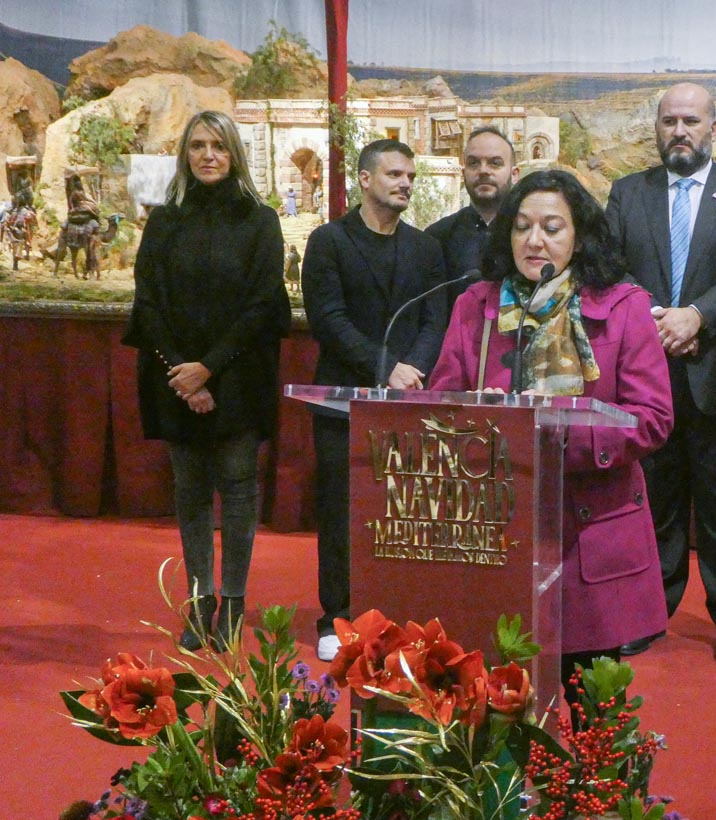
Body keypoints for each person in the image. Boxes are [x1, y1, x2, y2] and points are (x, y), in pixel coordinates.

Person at [428, 169, 672, 694]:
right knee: (495, 706)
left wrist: (558, 430)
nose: (534, 240)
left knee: (591, 716)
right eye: (521, 227)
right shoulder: (476, 307)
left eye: (552, 227)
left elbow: (651, 418)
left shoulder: (624, 307)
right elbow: (441, 405)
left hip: (590, 529)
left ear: (579, 237)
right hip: (496, 531)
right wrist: (476, 415)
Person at [606, 82, 716, 666]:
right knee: (653, 503)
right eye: (668, 121)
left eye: (690, 121)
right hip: (646, 377)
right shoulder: (627, 194)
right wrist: (649, 317)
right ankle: (650, 611)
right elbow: (608, 270)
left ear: (713, 126)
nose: (679, 131)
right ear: (656, 128)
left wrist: (697, 316)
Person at [122, 110, 290, 651]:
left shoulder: (260, 220)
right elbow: (147, 303)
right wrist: (183, 373)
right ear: (185, 155)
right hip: (176, 381)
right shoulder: (164, 221)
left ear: (234, 153)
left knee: (239, 492)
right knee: (190, 493)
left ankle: (234, 606)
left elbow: (264, 305)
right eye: (197, 145)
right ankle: (199, 605)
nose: (208, 155)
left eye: (218, 145)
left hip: (238, 380)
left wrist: (208, 368)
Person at [302, 139, 448, 661]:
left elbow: (436, 319)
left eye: (410, 175)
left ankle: (398, 615)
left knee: (402, 513)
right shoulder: (329, 241)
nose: (404, 183)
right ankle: (335, 617)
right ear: (365, 179)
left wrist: (413, 372)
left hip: (407, 405)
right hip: (341, 403)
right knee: (343, 513)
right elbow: (328, 319)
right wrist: (385, 367)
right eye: (393, 174)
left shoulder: (426, 249)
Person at [426, 126, 520, 304]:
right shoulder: (437, 237)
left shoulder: (531, 236)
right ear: (463, 174)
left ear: (514, 174)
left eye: (495, 163)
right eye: (474, 163)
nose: (483, 171)